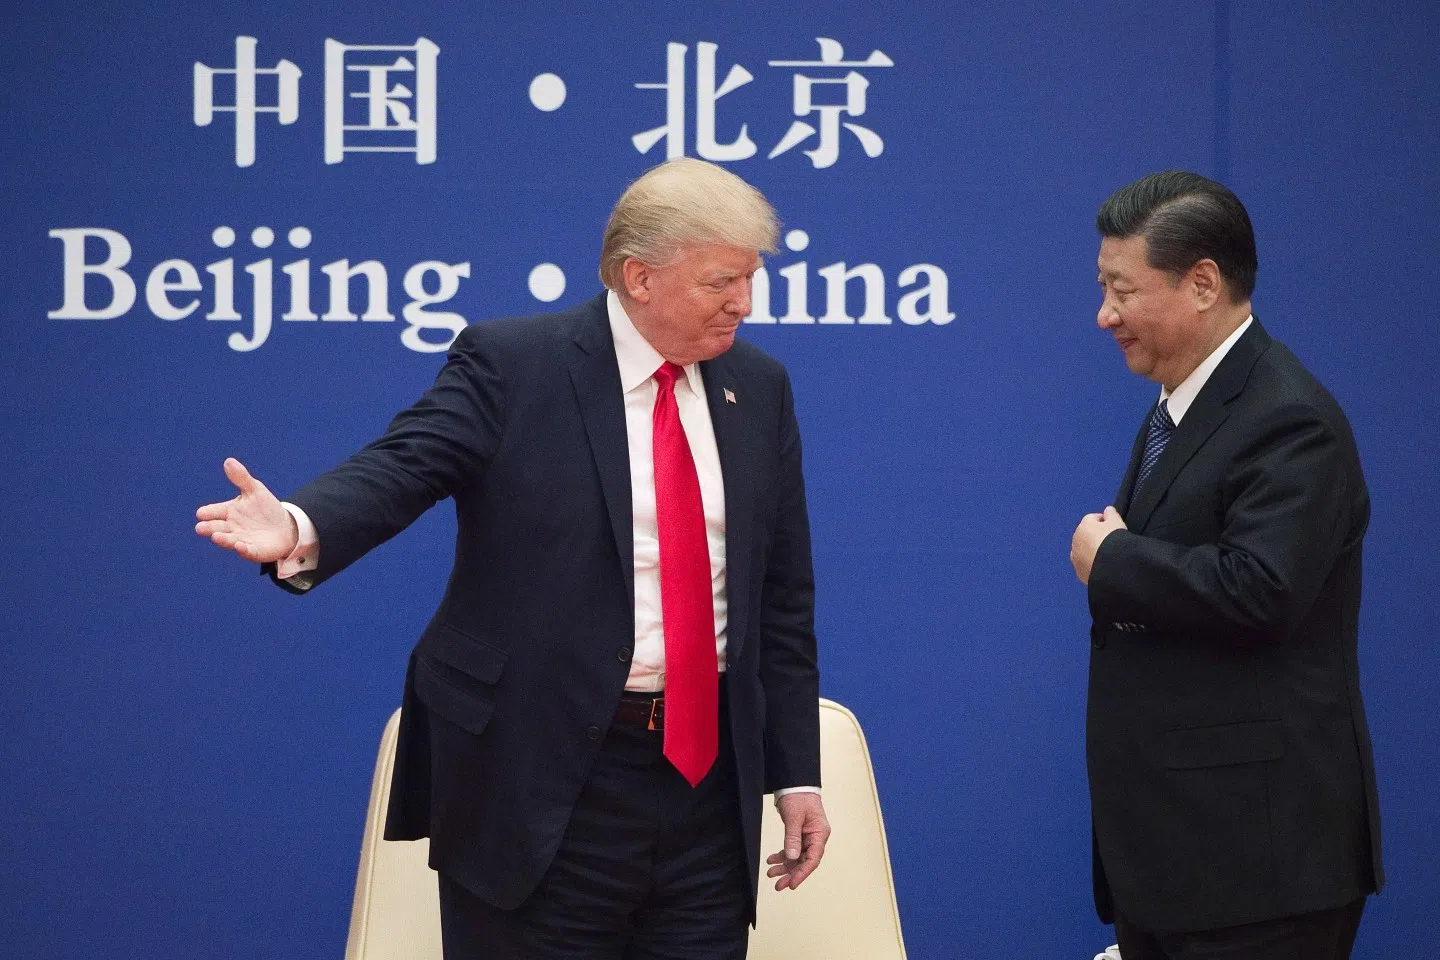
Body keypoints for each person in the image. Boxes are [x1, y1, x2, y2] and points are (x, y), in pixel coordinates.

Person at [196, 157, 829, 960]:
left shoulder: (757, 386)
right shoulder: (515, 364)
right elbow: (405, 464)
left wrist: (795, 774)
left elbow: (780, 600)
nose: (744, 302)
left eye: (749, 278)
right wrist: (300, 521)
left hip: (703, 793)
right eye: (720, 282)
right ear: (639, 277)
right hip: (541, 782)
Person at [1070, 171, 1383, 960]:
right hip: (1179, 862)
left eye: (1122, 290)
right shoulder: (1181, 404)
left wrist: (1114, 561)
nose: (1104, 314)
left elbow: (1263, 590)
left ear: (1202, 283)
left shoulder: (1288, 418)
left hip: (1257, 872)